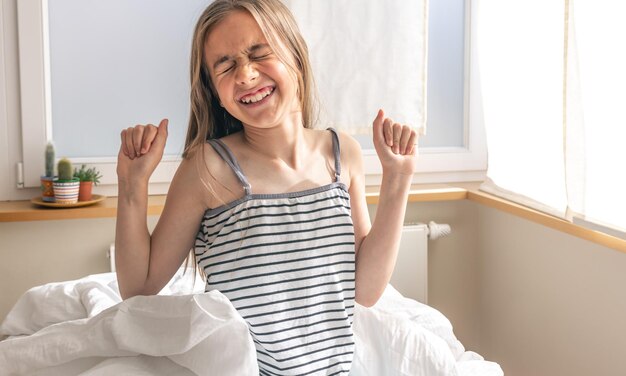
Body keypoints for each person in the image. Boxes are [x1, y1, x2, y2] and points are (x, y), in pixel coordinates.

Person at [115, 0, 417, 374]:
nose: (245, 75)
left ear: (296, 53)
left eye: (259, 53)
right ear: (214, 91)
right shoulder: (207, 167)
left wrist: (398, 178)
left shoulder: (343, 156)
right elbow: (139, 288)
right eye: (225, 66)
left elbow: (366, 292)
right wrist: (132, 184)